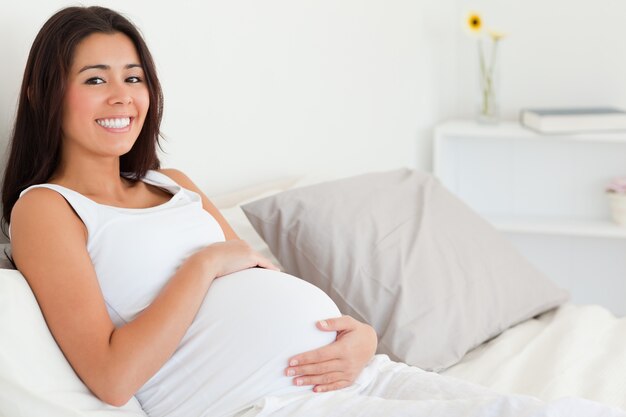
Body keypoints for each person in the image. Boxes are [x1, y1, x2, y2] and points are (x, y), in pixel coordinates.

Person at [2, 6, 624, 417]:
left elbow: (267, 286)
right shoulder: (48, 210)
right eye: (94, 79)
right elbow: (113, 377)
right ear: (41, 90)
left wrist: (360, 336)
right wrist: (205, 264)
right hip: (265, 402)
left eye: (134, 77)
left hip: (360, 374)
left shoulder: (176, 184)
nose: (121, 96)